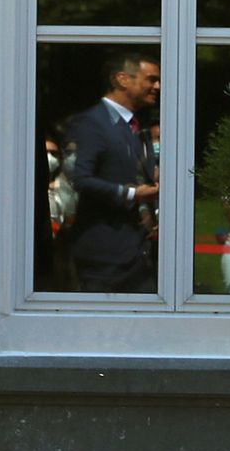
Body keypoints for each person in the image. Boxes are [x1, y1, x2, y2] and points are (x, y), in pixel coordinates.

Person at [65, 52, 160, 292]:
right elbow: (80, 178)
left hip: (139, 256)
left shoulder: (139, 126)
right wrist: (132, 195)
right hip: (104, 257)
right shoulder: (91, 123)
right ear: (122, 79)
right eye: (150, 79)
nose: (157, 86)